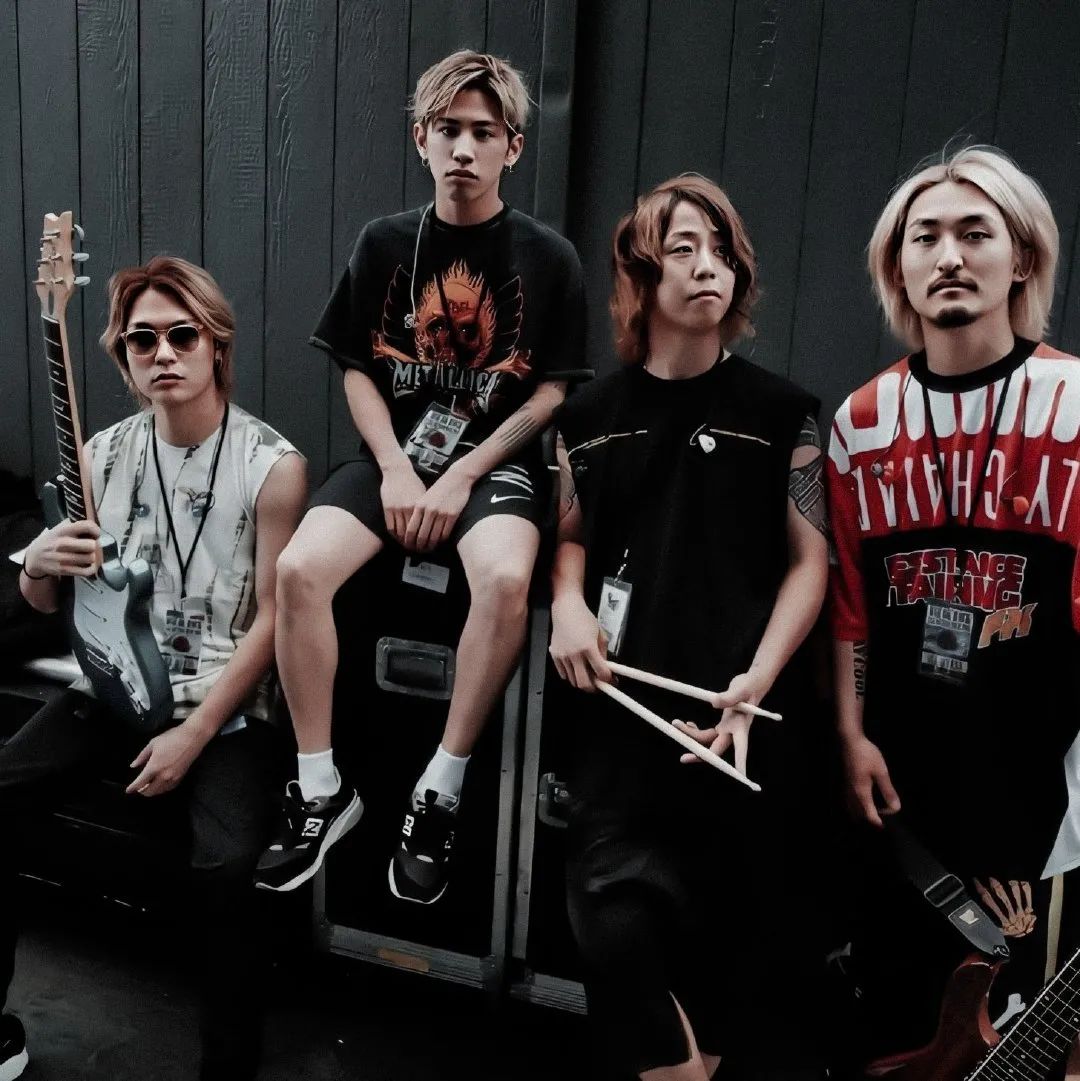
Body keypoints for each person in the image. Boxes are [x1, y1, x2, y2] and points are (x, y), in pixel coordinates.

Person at [254, 49, 588, 905]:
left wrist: (463, 471)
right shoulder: (384, 243)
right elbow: (356, 367)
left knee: (506, 579)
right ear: (421, 138)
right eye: (448, 129)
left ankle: (440, 787)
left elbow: (552, 391)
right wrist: (399, 470)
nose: (464, 148)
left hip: (492, 469)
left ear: (513, 146)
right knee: (297, 570)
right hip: (395, 463)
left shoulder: (550, 257)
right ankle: (320, 786)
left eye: (484, 131)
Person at [550, 175, 829, 1081]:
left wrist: (757, 681)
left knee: (714, 998)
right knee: (614, 939)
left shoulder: (785, 412)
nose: (709, 266)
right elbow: (571, 540)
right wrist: (566, 606)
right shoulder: (586, 419)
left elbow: (811, 562)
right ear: (642, 272)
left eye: (721, 251)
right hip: (620, 738)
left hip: (737, 734)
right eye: (683, 248)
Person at [4, 256, 306, 1081]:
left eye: (183, 335)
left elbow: (277, 623)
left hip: (225, 702)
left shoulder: (272, 466)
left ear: (216, 345)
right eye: (143, 340)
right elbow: (51, 599)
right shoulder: (99, 455)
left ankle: (227, 1065)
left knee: (226, 866)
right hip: (113, 683)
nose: (163, 352)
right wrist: (37, 568)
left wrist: (192, 736)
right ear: (123, 356)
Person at [826, 145, 1080, 1072]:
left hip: (1040, 805)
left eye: (976, 234)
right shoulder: (860, 421)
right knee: (895, 1045)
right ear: (897, 268)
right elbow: (851, 608)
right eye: (924, 237)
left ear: (1022, 258)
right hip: (903, 799)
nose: (949, 256)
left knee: (1024, 1054)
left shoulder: (1073, 404)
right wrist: (851, 734)